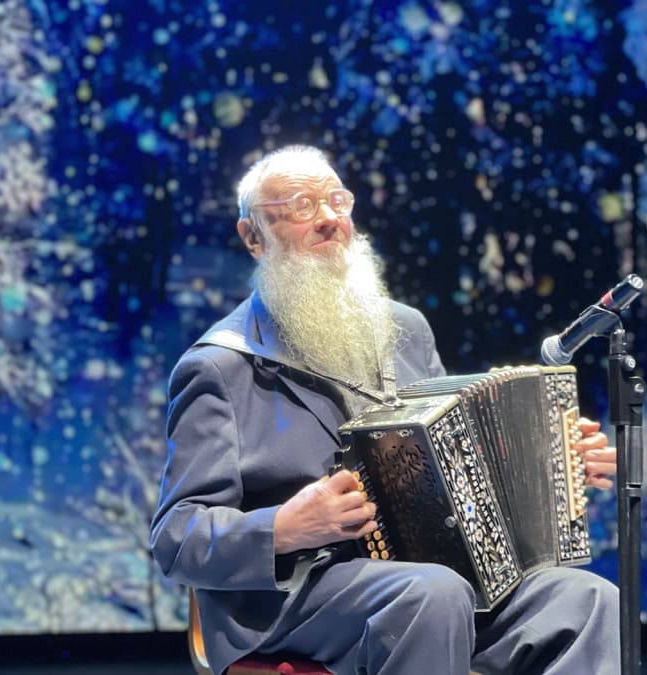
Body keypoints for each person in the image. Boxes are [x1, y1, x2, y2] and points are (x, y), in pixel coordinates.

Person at [149, 145, 621, 675]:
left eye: (337, 201)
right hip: (296, 593)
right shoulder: (218, 367)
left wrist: (549, 465)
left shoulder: (405, 329)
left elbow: (455, 463)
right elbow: (176, 538)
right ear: (253, 236)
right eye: (302, 206)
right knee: (432, 595)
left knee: (587, 600)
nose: (328, 218)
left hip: (430, 577)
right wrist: (283, 527)